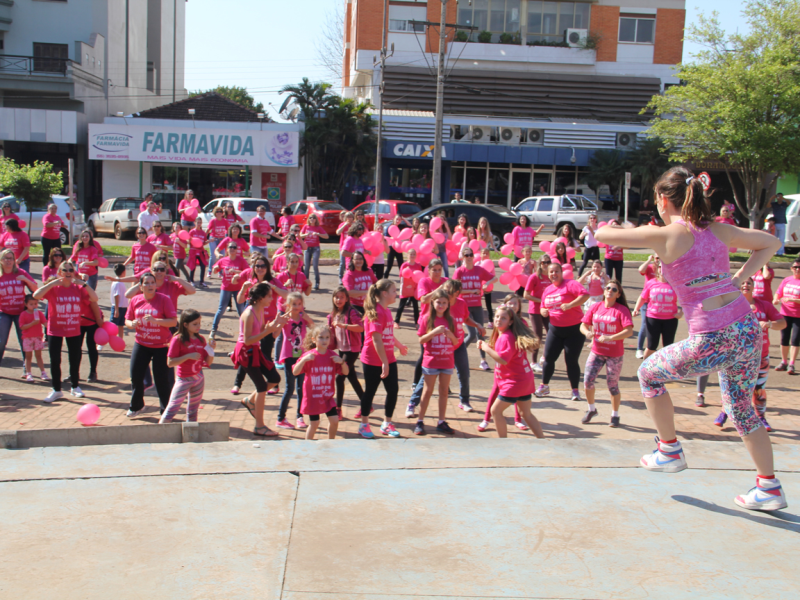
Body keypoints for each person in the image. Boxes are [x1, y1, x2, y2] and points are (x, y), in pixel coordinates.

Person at [595, 165, 786, 511]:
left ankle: (669, 449)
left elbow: (603, 235)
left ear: (662, 199)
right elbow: (771, 243)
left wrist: (628, 227)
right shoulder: (718, 229)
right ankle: (768, 487)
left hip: (713, 336)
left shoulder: (667, 234)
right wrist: (738, 277)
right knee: (741, 409)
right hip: (746, 329)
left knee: (648, 374)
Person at [712, 278, 785, 431]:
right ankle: (724, 412)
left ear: (753, 286)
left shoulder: (764, 305)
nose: (746, 285)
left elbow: (782, 323)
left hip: (760, 356)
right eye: (743, 283)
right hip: (735, 355)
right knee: (731, 387)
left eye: (749, 283)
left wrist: (769, 324)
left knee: (758, 388)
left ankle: (760, 417)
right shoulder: (731, 305)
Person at [35, 260, 98, 402]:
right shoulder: (54, 288)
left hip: (73, 328)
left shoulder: (78, 288)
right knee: (55, 359)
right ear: (60, 272)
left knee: (74, 358)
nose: (68, 272)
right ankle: (56, 390)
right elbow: (36, 296)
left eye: (71, 270)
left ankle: (75, 387)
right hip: (55, 329)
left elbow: (94, 298)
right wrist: (51, 284)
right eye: (65, 270)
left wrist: (84, 284)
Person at [479, 304, 543, 438]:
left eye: (503, 318)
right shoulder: (508, 335)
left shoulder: (506, 337)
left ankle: (504, 442)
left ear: (510, 321)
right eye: (497, 316)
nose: (498, 320)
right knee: (526, 413)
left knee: (495, 411)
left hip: (515, 382)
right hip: (524, 379)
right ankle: (542, 440)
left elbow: (503, 359)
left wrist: (486, 348)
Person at [233, 282, 286, 437]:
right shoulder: (248, 314)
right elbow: (248, 340)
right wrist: (269, 330)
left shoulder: (260, 309)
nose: (272, 298)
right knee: (262, 387)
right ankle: (259, 426)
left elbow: (263, 330)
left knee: (274, 378)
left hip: (255, 350)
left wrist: (277, 324)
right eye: (269, 296)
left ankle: (250, 400)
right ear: (261, 298)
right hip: (246, 352)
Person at [579, 279, 633, 426]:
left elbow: (629, 331)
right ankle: (591, 409)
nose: (610, 291)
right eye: (608, 288)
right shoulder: (596, 307)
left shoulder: (621, 310)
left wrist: (611, 337)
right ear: (604, 291)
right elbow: (583, 325)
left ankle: (615, 415)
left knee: (612, 385)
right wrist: (587, 333)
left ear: (618, 294)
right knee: (587, 381)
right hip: (597, 352)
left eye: (614, 289)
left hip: (614, 355)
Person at [358, 279, 408, 438]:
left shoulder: (386, 311)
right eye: (394, 291)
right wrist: (384, 363)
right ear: (384, 293)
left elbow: (388, 334)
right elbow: (376, 340)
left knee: (393, 390)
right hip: (373, 360)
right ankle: (364, 425)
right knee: (370, 392)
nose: (396, 294)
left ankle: (387, 423)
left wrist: (399, 346)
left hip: (388, 358)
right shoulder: (377, 312)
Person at [231, 255, 287, 395]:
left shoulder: (273, 281)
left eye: (263, 266)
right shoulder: (251, 281)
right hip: (253, 321)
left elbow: (286, 295)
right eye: (257, 266)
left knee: (265, 354)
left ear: (267, 268)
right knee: (247, 354)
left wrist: (273, 287)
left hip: (268, 322)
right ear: (253, 267)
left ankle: (273, 383)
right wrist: (243, 287)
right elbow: (239, 300)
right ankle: (238, 383)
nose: (260, 268)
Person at [124, 272, 178, 417]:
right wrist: (131, 324)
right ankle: (136, 406)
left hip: (161, 345)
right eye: (146, 283)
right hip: (141, 344)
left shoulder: (164, 299)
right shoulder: (135, 300)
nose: (150, 285)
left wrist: (156, 321)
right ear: (141, 287)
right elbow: (127, 320)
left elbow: (173, 321)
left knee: (162, 379)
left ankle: (165, 410)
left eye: (152, 282)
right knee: (136, 376)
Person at [536, 262, 590, 402]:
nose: (554, 274)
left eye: (556, 271)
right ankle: (544, 386)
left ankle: (575, 391)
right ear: (548, 274)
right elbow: (542, 307)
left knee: (571, 361)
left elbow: (585, 295)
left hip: (574, 330)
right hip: (555, 330)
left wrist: (571, 305)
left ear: (561, 272)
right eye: (551, 272)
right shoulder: (548, 290)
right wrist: (543, 311)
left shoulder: (570, 284)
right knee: (548, 358)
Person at [477, 294, 527, 432]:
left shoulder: (522, 323)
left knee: (517, 393)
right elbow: (494, 344)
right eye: (509, 303)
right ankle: (486, 419)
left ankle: (518, 419)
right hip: (502, 367)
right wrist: (487, 347)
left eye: (515, 303)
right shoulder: (499, 326)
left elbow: (525, 343)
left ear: (519, 307)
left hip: (515, 367)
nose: (512, 306)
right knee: (496, 390)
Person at [414, 289, 458, 435]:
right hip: (431, 361)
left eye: (444, 303)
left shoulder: (451, 320)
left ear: (448, 304)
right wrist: (433, 332)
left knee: (444, 391)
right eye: (439, 302)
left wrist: (451, 336)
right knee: (427, 391)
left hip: (447, 361)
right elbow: (421, 340)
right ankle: (420, 421)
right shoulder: (427, 319)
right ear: (432, 303)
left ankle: (441, 421)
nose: (441, 305)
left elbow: (456, 342)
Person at [160, 309, 215, 424]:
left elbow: (208, 362)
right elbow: (170, 362)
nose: (198, 326)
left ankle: (191, 432)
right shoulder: (178, 340)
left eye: (199, 323)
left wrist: (211, 350)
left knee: (193, 410)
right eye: (195, 324)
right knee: (172, 408)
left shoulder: (201, 339)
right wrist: (188, 356)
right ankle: (160, 431)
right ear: (185, 325)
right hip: (184, 379)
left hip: (198, 378)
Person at [293, 326, 345, 440]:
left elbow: (345, 372)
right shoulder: (309, 356)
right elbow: (295, 372)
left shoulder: (332, 355)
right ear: (314, 339)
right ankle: (308, 445)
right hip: (313, 397)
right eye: (321, 337)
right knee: (314, 423)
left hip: (327, 396)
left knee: (334, 420)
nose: (324, 340)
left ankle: (331, 442)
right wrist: (303, 360)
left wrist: (342, 362)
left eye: (327, 337)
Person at [454, 246, 497, 371]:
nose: (468, 257)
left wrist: (487, 283)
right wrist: (472, 291)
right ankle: (456, 354)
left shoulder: (479, 270)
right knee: (472, 334)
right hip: (464, 306)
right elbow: (455, 290)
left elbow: (495, 278)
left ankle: (483, 361)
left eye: (470, 255)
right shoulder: (459, 271)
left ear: (473, 256)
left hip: (477, 306)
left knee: (481, 332)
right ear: (462, 257)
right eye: (466, 255)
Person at [276, 292, 315, 429]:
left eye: (299, 304)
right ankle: (280, 418)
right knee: (290, 388)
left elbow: (315, 330)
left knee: (301, 388)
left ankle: (300, 417)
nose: (297, 307)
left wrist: (308, 319)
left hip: (302, 357)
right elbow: (275, 335)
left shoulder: (303, 318)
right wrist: (279, 323)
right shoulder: (286, 319)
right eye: (294, 304)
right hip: (289, 357)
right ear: (288, 305)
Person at [327, 287, 365, 418]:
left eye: (342, 297)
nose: (339, 300)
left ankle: (338, 409)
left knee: (340, 377)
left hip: (352, 349)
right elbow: (332, 331)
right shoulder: (333, 313)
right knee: (352, 377)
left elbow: (361, 328)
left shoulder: (351, 312)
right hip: (342, 349)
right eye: (336, 297)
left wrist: (344, 325)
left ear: (347, 299)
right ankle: (366, 405)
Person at [633, 262, 682, 358]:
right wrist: (636, 309)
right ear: (657, 269)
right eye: (660, 266)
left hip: (670, 320)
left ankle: (667, 366)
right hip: (653, 318)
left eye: (665, 266)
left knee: (668, 346)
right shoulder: (651, 282)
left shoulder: (675, 283)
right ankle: (645, 367)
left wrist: (681, 313)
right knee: (651, 346)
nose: (662, 269)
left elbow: (686, 299)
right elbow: (643, 297)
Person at [0, 250, 36, 375]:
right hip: (4, 312)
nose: (8, 261)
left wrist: (26, 279)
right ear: (1, 260)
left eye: (11, 258)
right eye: (5, 258)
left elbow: (35, 289)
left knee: (24, 341)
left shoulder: (20, 272)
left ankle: (27, 369)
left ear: (14, 260)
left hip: (20, 312)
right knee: (1, 341)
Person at [209, 243, 249, 338]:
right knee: (221, 309)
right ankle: (213, 330)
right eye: (230, 247)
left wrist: (235, 272)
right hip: (226, 288)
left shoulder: (241, 260)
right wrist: (215, 268)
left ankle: (246, 331)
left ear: (237, 250)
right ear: (227, 249)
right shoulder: (223, 260)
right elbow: (215, 270)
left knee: (241, 311)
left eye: (234, 247)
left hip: (238, 288)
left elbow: (248, 272)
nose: (232, 249)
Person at [524, 253, 552, 372]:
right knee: (538, 336)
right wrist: (542, 301)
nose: (546, 264)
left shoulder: (552, 276)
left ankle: (544, 357)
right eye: (544, 262)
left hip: (548, 310)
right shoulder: (534, 277)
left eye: (548, 262)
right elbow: (526, 295)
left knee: (551, 333)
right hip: (535, 310)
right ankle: (533, 362)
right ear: (540, 264)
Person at [773, 258, 800, 374]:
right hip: (785, 314)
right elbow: (778, 292)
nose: (797, 269)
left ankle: (791, 364)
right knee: (784, 338)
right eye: (795, 267)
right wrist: (775, 299)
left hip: (798, 316)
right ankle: (784, 362)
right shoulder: (787, 280)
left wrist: (792, 299)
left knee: (795, 340)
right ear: (791, 268)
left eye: (799, 267)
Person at [635, 254, 660, 359]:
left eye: (660, 258)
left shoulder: (665, 269)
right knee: (645, 325)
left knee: (655, 326)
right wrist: (649, 260)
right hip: (646, 301)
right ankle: (639, 349)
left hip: (658, 302)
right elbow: (641, 270)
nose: (658, 260)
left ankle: (650, 348)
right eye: (657, 258)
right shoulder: (649, 267)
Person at [19, 294, 48, 382]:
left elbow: (45, 323)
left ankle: (43, 372)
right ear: (26, 304)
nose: (34, 306)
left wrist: (52, 328)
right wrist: (32, 323)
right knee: (28, 357)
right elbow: (22, 327)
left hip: (38, 337)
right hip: (27, 338)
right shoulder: (23, 314)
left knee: (38, 356)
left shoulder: (39, 313)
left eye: (35, 304)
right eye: (31, 304)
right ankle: (28, 373)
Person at [301, 213, 329, 290]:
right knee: (306, 266)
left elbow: (326, 236)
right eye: (310, 218)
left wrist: (318, 234)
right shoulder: (306, 226)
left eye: (313, 218)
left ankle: (317, 283)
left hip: (315, 248)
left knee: (315, 266)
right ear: (308, 219)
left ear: (316, 219)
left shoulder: (318, 227)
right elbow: (300, 235)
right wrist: (306, 235)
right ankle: (306, 283)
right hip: (307, 247)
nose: (312, 219)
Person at [394, 248, 422, 326]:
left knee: (415, 307)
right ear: (407, 255)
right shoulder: (404, 265)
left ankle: (417, 323)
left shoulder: (418, 265)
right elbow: (401, 275)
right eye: (411, 254)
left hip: (414, 288)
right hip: (406, 288)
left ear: (416, 256)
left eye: (414, 254)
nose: (412, 256)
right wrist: (407, 274)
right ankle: (396, 322)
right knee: (401, 306)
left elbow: (419, 276)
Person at [205, 206, 230, 274]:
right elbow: (208, 230)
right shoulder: (213, 221)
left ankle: (220, 272)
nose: (219, 213)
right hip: (213, 238)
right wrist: (204, 238)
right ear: (215, 213)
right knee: (213, 255)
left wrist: (229, 239)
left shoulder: (225, 221)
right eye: (217, 211)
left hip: (222, 239)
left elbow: (229, 230)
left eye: (220, 211)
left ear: (222, 213)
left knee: (222, 255)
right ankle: (210, 270)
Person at [187, 220, 209, 288]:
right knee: (192, 266)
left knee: (203, 266)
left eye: (200, 222)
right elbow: (188, 241)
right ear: (195, 223)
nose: (199, 224)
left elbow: (203, 242)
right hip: (193, 251)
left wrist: (209, 241)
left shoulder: (203, 233)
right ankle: (191, 281)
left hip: (200, 251)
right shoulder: (192, 231)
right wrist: (189, 240)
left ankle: (202, 281)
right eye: (197, 222)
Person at [109, 263, 128, 339]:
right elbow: (116, 296)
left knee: (121, 325)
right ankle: (107, 339)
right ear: (123, 272)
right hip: (118, 307)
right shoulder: (118, 283)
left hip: (123, 307)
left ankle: (120, 340)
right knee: (112, 325)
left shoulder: (118, 281)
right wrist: (116, 310)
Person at [336, 212, 355, 283]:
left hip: (352, 247)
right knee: (342, 263)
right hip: (343, 247)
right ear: (345, 218)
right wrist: (345, 225)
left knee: (352, 263)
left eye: (351, 217)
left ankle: (350, 277)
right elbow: (338, 233)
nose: (349, 219)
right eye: (348, 217)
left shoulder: (354, 225)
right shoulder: (342, 224)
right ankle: (340, 277)